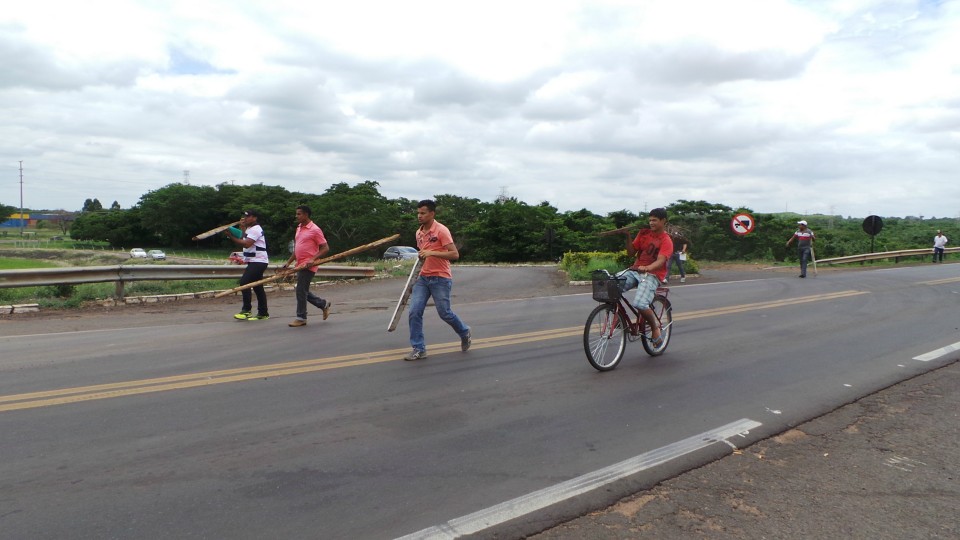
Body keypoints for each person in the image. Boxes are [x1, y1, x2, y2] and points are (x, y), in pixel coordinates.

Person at [404, 199, 471, 361]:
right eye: (418, 213)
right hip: (423, 278)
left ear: (432, 214)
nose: (419, 216)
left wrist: (432, 253)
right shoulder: (418, 232)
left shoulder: (441, 230)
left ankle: (464, 332)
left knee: (445, 313)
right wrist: (414, 278)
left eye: (423, 213)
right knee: (414, 312)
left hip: (440, 278)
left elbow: (454, 254)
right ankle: (419, 348)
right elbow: (422, 255)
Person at [618, 208, 674, 346]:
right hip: (636, 270)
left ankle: (655, 329)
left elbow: (661, 260)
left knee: (639, 304)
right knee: (611, 285)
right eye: (650, 220)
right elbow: (631, 253)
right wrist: (627, 236)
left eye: (654, 220)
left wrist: (648, 268)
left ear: (663, 221)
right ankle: (618, 318)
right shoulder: (643, 234)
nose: (651, 223)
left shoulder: (666, 240)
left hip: (652, 275)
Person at [281, 205, 332, 327]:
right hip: (299, 264)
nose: (296, 216)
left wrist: (313, 259)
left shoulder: (315, 229)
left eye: (299, 214)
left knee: (300, 290)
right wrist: (288, 262)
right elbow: (297, 248)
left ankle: (301, 317)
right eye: (296, 214)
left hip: (309, 265)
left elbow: (325, 248)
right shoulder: (299, 228)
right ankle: (323, 304)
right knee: (302, 290)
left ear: (306, 215)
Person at [227, 209, 269, 321]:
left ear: (254, 218)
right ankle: (263, 313)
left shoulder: (256, 229)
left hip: (258, 261)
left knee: (244, 283)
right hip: (254, 261)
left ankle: (246, 310)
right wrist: (242, 228)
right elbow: (242, 239)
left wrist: (231, 236)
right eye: (244, 216)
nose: (245, 218)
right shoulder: (249, 229)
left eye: (248, 216)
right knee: (257, 287)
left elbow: (246, 244)